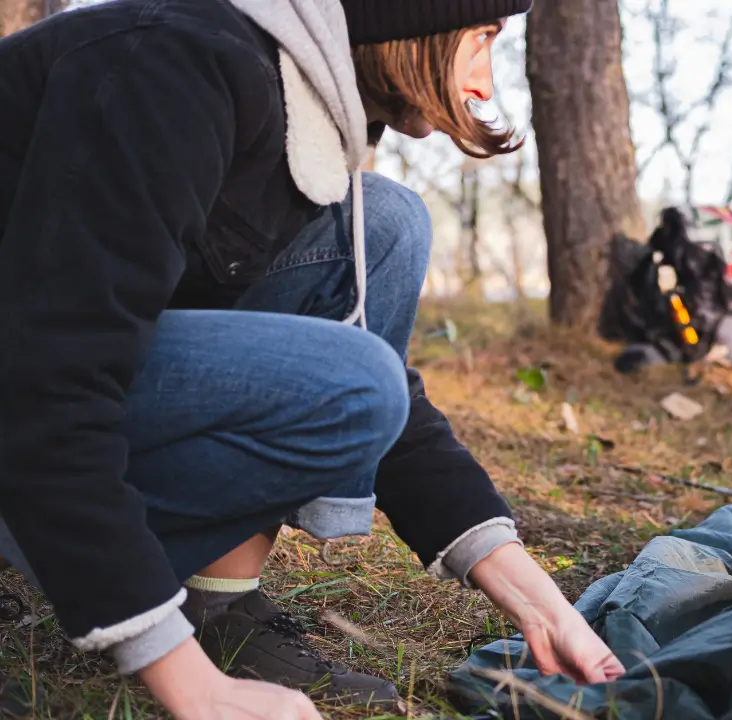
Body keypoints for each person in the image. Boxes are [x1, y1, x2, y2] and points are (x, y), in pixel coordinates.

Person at [0, 0, 625, 717]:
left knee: (385, 224)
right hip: (26, 402)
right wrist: (190, 688)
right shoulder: (173, 63)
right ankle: (109, 584)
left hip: (37, 382)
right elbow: (50, 380)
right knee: (354, 386)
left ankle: (216, 607)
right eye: (483, 39)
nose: (484, 84)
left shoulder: (297, 108)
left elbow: (393, 408)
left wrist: (538, 601)